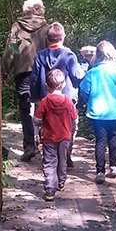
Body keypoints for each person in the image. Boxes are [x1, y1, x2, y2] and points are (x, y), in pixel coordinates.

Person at [1, 0, 49, 162]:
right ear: (40, 9)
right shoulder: (47, 28)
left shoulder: (17, 27)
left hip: (23, 73)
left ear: (26, 9)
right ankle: (46, 145)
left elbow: (11, 50)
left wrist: (4, 71)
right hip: (43, 74)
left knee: (25, 108)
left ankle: (29, 145)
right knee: (44, 107)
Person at [30, 22, 85, 167]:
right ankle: (66, 154)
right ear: (63, 37)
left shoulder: (40, 56)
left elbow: (35, 78)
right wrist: (84, 65)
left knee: (47, 126)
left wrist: (34, 96)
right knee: (70, 126)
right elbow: (77, 75)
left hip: (46, 98)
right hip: (67, 99)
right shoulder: (69, 55)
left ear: (47, 39)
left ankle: (50, 155)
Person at [79, 40, 116, 184]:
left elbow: (84, 89)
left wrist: (89, 99)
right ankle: (114, 167)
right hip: (114, 112)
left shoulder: (92, 72)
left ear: (98, 54)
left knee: (100, 141)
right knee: (113, 138)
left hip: (97, 112)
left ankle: (100, 171)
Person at [33, 69, 78, 201]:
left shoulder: (45, 101)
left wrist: (41, 124)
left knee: (49, 162)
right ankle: (61, 182)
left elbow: (36, 120)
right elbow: (74, 119)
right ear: (63, 85)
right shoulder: (68, 101)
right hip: (65, 136)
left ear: (46, 86)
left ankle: (49, 189)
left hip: (49, 137)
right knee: (62, 159)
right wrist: (72, 129)